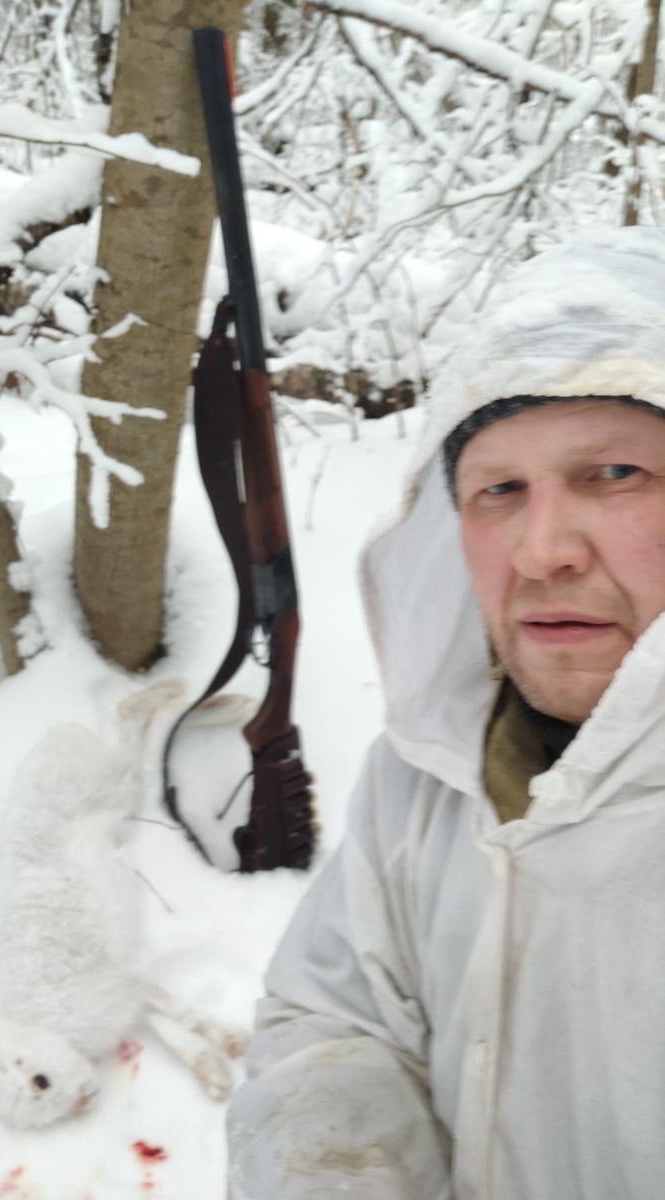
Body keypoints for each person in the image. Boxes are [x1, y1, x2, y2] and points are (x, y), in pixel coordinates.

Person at [225, 227, 665, 1200]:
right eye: (499, 489)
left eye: (615, 474)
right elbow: (334, 1014)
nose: (542, 550)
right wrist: (333, 1161)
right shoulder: (425, 774)